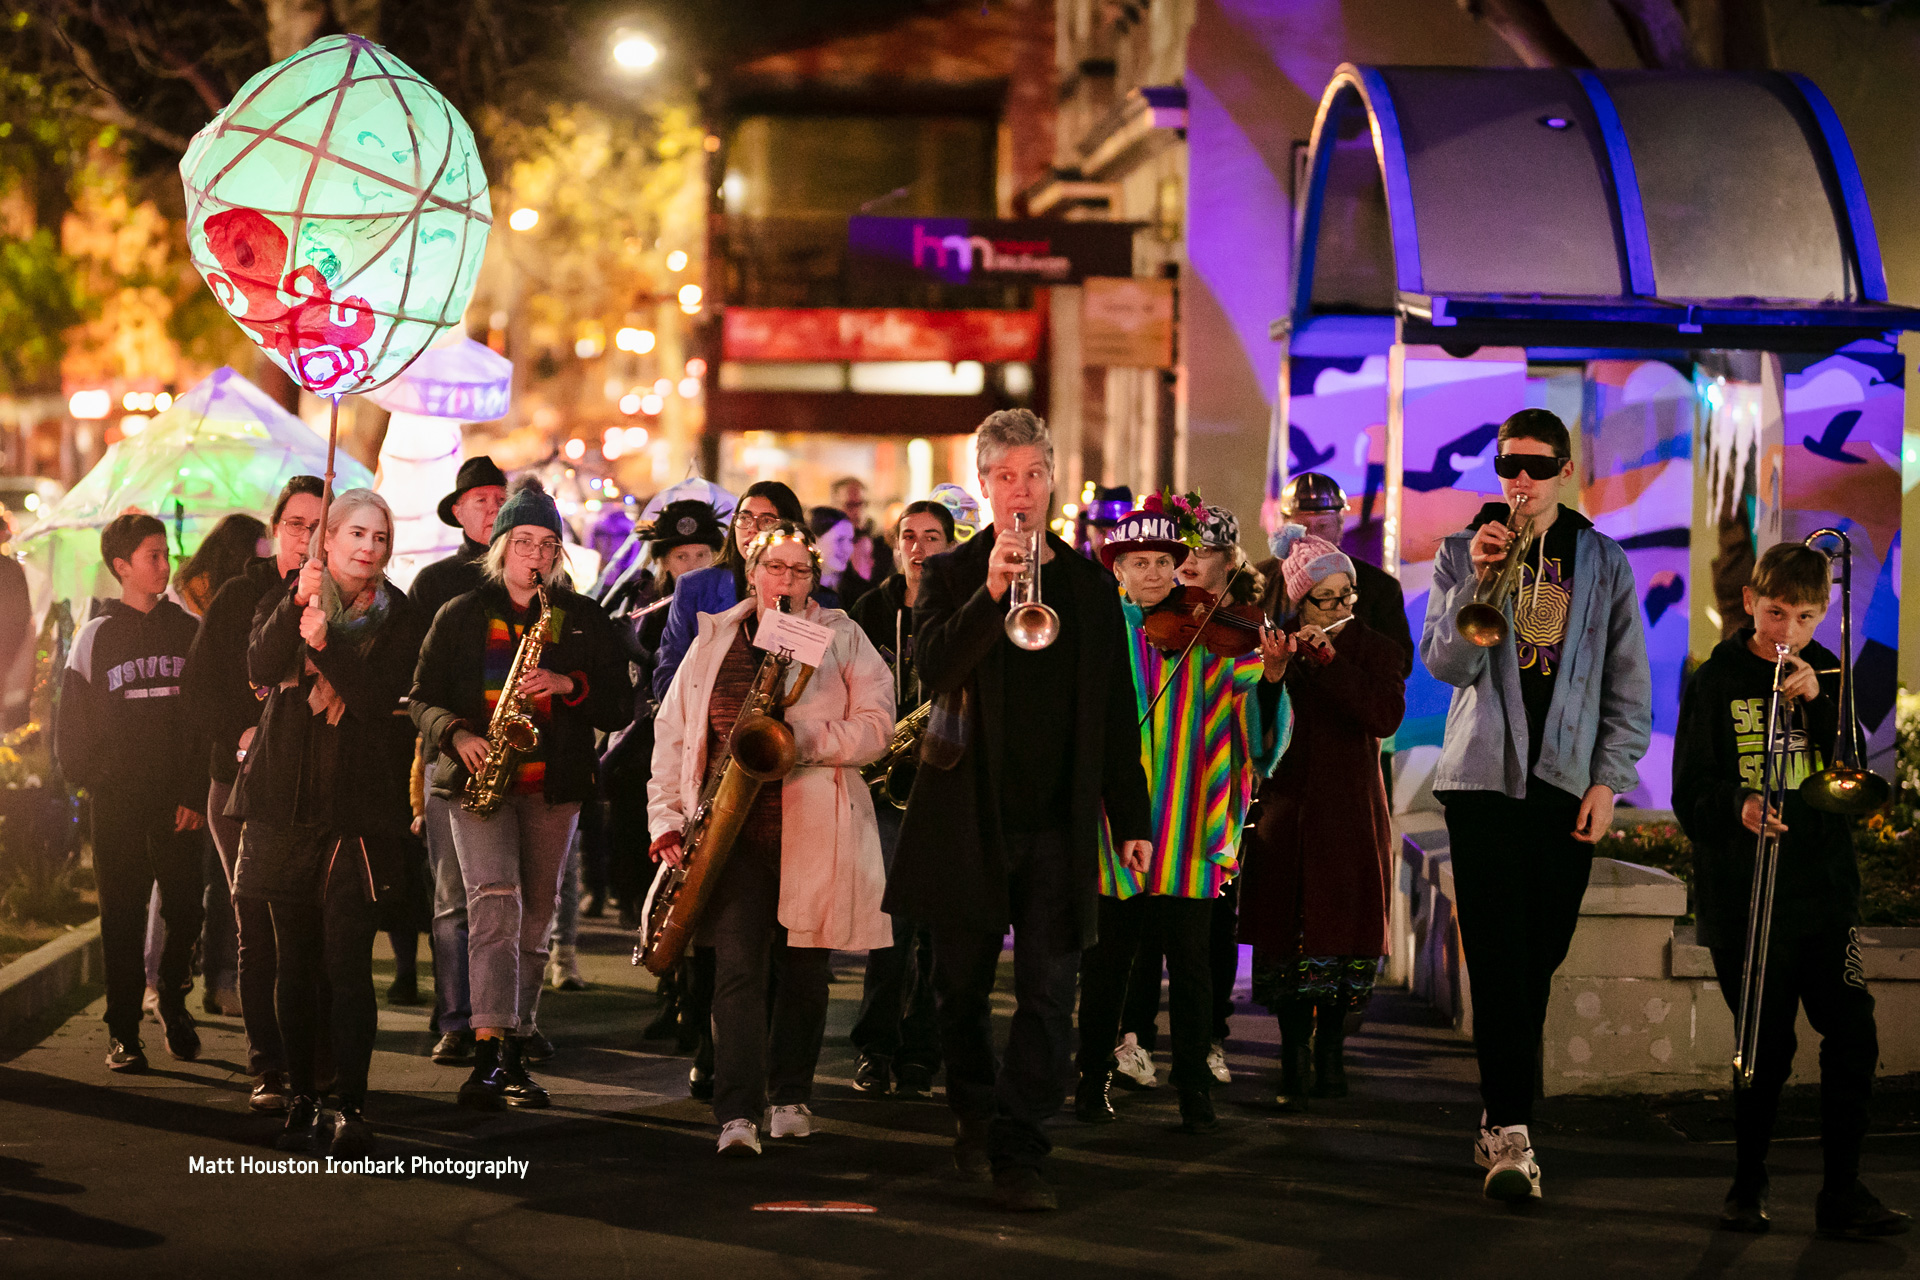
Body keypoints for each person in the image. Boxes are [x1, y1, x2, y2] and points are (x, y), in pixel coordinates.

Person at [886, 409, 1152, 1213]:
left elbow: (1114, 708)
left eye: (1034, 475)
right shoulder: (951, 573)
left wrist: (1129, 817)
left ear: (1051, 481)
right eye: (1006, 478)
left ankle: (1021, 1146)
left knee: (1047, 993)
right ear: (985, 486)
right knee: (958, 989)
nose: (1022, 492)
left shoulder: (1087, 583)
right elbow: (931, 669)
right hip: (969, 817)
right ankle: (972, 1108)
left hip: (1056, 825)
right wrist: (994, 591)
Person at [1419, 408, 1651, 1203]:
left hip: (1563, 785)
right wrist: (1479, 579)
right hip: (1481, 784)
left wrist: (1607, 780)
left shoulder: (1603, 562)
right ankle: (1510, 1131)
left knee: (1538, 954)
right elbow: (1446, 666)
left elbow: (1628, 681)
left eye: (1538, 466)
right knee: (1496, 956)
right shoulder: (1461, 550)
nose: (1521, 479)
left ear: (1566, 469)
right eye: (1509, 464)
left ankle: (1503, 1098)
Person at [1673, 542, 1910, 1239]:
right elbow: (1691, 792)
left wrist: (1823, 700)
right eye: (1776, 614)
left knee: (1854, 1033)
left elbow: (1858, 777)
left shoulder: (1827, 674)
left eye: (1805, 618)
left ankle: (1843, 1190)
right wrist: (1739, 808)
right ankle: (1747, 1183)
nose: (1789, 634)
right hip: (1746, 897)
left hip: (1824, 891)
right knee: (1765, 1047)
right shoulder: (1713, 681)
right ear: (1750, 603)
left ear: (1823, 614)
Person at [648, 520, 894, 1155]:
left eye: (799, 572)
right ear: (751, 575)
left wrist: (800, 741)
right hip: (730, 834)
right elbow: (673, 737)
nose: (786, 582)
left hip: (814, 830)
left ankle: (790, 1095)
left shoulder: (843, 638)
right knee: (735, 969)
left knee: (805, 972)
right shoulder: (715, 639)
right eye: (774, 569)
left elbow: (877, 727)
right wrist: (666, 820)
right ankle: (737, 1112)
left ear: (816, 581)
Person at [410, 478, 631, 1114]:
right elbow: (420, 697)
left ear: (558, 555)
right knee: (493, 905)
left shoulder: (580, 618)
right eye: (523, 542)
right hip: (477, 783)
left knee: (536, 917)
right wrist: (457, 734)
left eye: (546, 544)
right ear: (501, 546)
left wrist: (569, 682)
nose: (534, 555)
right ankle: (489, 1049)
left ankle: (521, 1028)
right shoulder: (461, 614)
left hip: (551, 788)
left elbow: (619, 703)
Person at [1075, 501, 1290, 1135]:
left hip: (1193, 823)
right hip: (1114, 827)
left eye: (1164, 562)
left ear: (1179, 567)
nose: (1152, 573)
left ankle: (1194, 1085)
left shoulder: (1216, 638)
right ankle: (1092, 1080)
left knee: (1192, 965)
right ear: (1117, 570)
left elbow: (1257, 730)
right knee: (1108, 962)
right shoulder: (1101, 631)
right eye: (1137, 562)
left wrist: (1274, 677)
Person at [231, 489, 423, 1156]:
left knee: (346, 963)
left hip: (356, 813)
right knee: (295, 963)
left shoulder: (398, 616)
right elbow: (257, 667)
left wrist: (330, 643)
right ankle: (302, 1092)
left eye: (379, 536)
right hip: (285, 802)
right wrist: (294, 610)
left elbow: (375, 700)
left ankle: (351, 1102)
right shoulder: (294, 594)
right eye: (355, 535)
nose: (368, 548)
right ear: (329, 541)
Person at [1240, 523, 1406, 1111]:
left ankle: (1332, 1052)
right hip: (1289, 808)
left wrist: (1332, 661)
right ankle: (1291, 1055)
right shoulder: (1276, 645)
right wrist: (1276, 675)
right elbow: (1257, 739)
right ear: (1298, 598)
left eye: (1346, 595)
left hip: (1352, 808)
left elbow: (1384, 716)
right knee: (1288, 936)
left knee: (1346, 935)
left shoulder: (1373, 648)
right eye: (1324, 598)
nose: (1338, 607)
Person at [181, 477, 324, 1107]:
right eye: (297, 524)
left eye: (322, 526)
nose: (307, 537)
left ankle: (314, 1060)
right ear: (276, 530)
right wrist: (241, 735)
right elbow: (201, 687)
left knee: (314, 932)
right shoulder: (242, 595)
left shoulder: (343, 600)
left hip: (312, 793)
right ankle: (268, 1063)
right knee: (257, 926)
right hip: (238, 786)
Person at [54, 513, 207, 1073]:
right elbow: (71, 729)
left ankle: (171, 995)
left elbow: (203, 720)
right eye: (152, 556)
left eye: (166, 554)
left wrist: (194, 789)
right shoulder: (96, 637)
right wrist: (98, 783)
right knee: (121, 915)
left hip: (180, 803)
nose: (165, 565)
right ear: (121, 567)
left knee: (188, 907)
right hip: (117, 804)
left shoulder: (188, 630)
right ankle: (123, 1031)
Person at [846, 499, 954, 1097]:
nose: (919, 548)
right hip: (887, 787)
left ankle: (924, 1051)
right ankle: (875, 1046)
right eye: (908, 537)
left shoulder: (965, 609)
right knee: (888, 927)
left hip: (946, 783)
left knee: (938, 932)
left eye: (932, 537)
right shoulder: (869, 610)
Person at [408, 454, 508, 1067]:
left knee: (509, 900)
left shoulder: (537, 573)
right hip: (449, 757)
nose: (492, 509)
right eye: (481, 501)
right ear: (459, 511)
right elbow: (416, 684)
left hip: (519, 760)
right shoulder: (434, 584)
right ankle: (453, 1017)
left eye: (501, 499)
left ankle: (507, 1022)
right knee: (451, 899)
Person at [653, 480, 808, 704]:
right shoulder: (695, 588)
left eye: (766, 521)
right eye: (744, 518)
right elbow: (667, 678)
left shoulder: (815, 596)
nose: (751, 529)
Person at [831, 474, 894, 582]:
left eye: (861, 504)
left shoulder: (882, 545)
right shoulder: (827, 546)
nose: (856, 511)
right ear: (835, 506)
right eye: (849, 505)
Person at [807, 506, 860, 609]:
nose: (847, 549)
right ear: (814, 540)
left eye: (850, 540)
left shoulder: (857, 594)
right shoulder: (800, 594)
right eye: (839, 540)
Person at [1074, 483, 1133, 566]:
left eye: (1115, 533)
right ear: (1089, 531)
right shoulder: (1073, 564)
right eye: (1101, 532)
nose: (1106, 542)